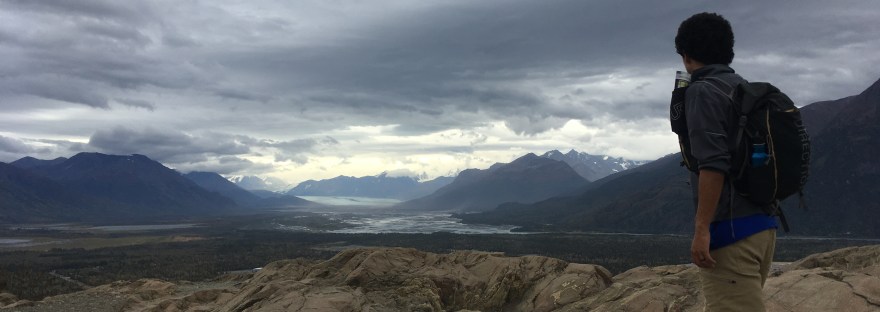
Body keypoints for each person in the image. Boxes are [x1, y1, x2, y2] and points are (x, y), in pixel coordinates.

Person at [675, 12, 779, 311]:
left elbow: (713, 164)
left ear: (686, 56)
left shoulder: (702, 91)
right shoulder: (743, 88)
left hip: (732, 233)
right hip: (763, 227)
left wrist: (702, 229)